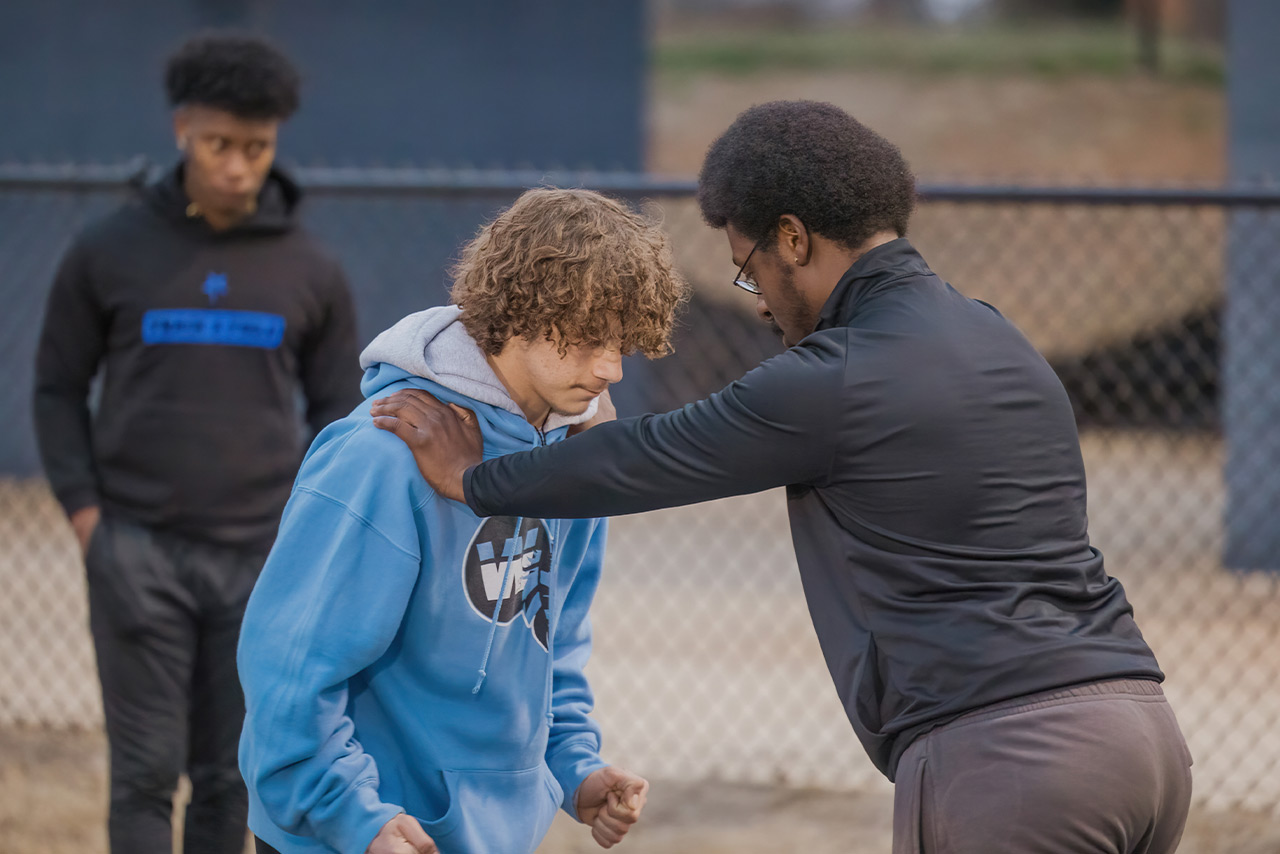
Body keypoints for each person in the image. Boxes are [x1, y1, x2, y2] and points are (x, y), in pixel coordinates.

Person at [370, 101, 1194, 854]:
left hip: (1012, 763)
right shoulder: (997, 337)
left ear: (792, 238)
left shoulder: (836, 374)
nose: (759, 300)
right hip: (1144, 738)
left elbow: (650, 455)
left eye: (749, 267)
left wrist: (477, 477)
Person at [237, 187, 688, 854]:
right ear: (519, 309)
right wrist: (355, 817)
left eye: (623, 343)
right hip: (364, 834)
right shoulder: (381, 456)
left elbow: (550, 640)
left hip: (490, 834)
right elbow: (289, 669)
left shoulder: (576, 453)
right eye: (590, 336)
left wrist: (575, 766)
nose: (609, 369)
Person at [32, 32, 360, 854]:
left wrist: (303, 536)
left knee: (232, 775)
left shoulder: (310, 268)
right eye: (219, 144)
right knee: (144, 775)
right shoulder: (107, 250)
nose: (237, 166)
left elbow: (338, 415)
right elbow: (56, 388)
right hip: (135, 548)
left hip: (260, 563)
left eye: (256, 148)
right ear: (182, 130)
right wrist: (86, 517)